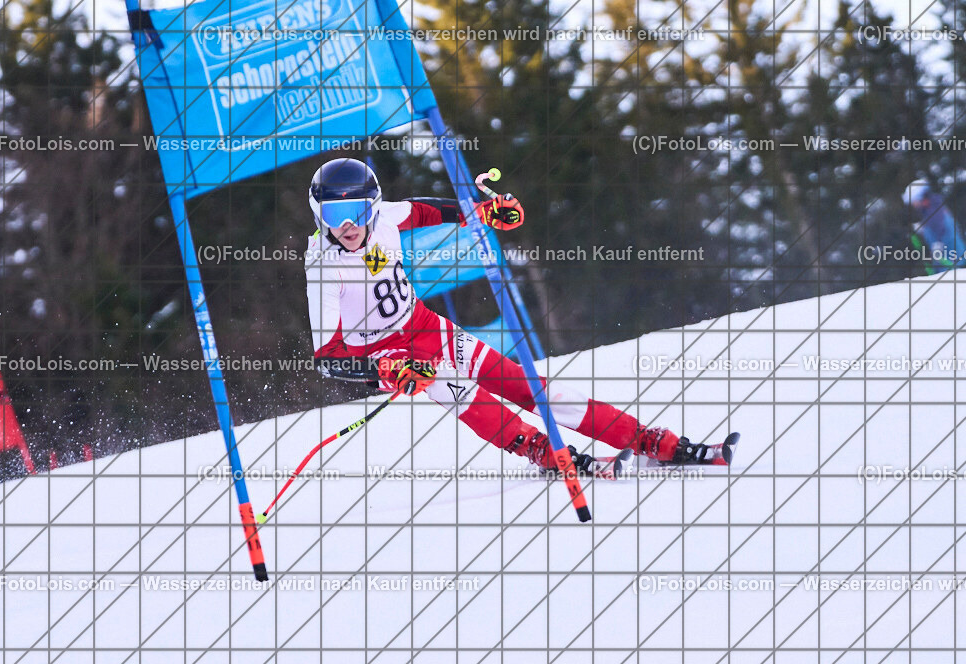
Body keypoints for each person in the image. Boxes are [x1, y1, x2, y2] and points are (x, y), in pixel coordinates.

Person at [303, 157, 737, 470]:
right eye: (335, 215)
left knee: (526, 386)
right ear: (319, 216)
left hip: (425, 327)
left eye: (356, 211)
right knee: (472, 400)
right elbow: (326, 360)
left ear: (372, 206)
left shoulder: (382, 220)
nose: (349, 226)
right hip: (388, 356)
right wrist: (387, 371)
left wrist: (483, 212)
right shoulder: (322, 269)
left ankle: (647, 439)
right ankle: (536, 448)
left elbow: (423, 209)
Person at [904, 181, 966, 273]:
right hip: (944, 259)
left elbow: (940, 227)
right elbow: (932, 228)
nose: (914, 205)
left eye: (914, 201)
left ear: (921, 198)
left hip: (951, 257)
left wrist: (938, 244)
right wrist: (922, 229)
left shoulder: (935, 209)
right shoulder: (928, 210)